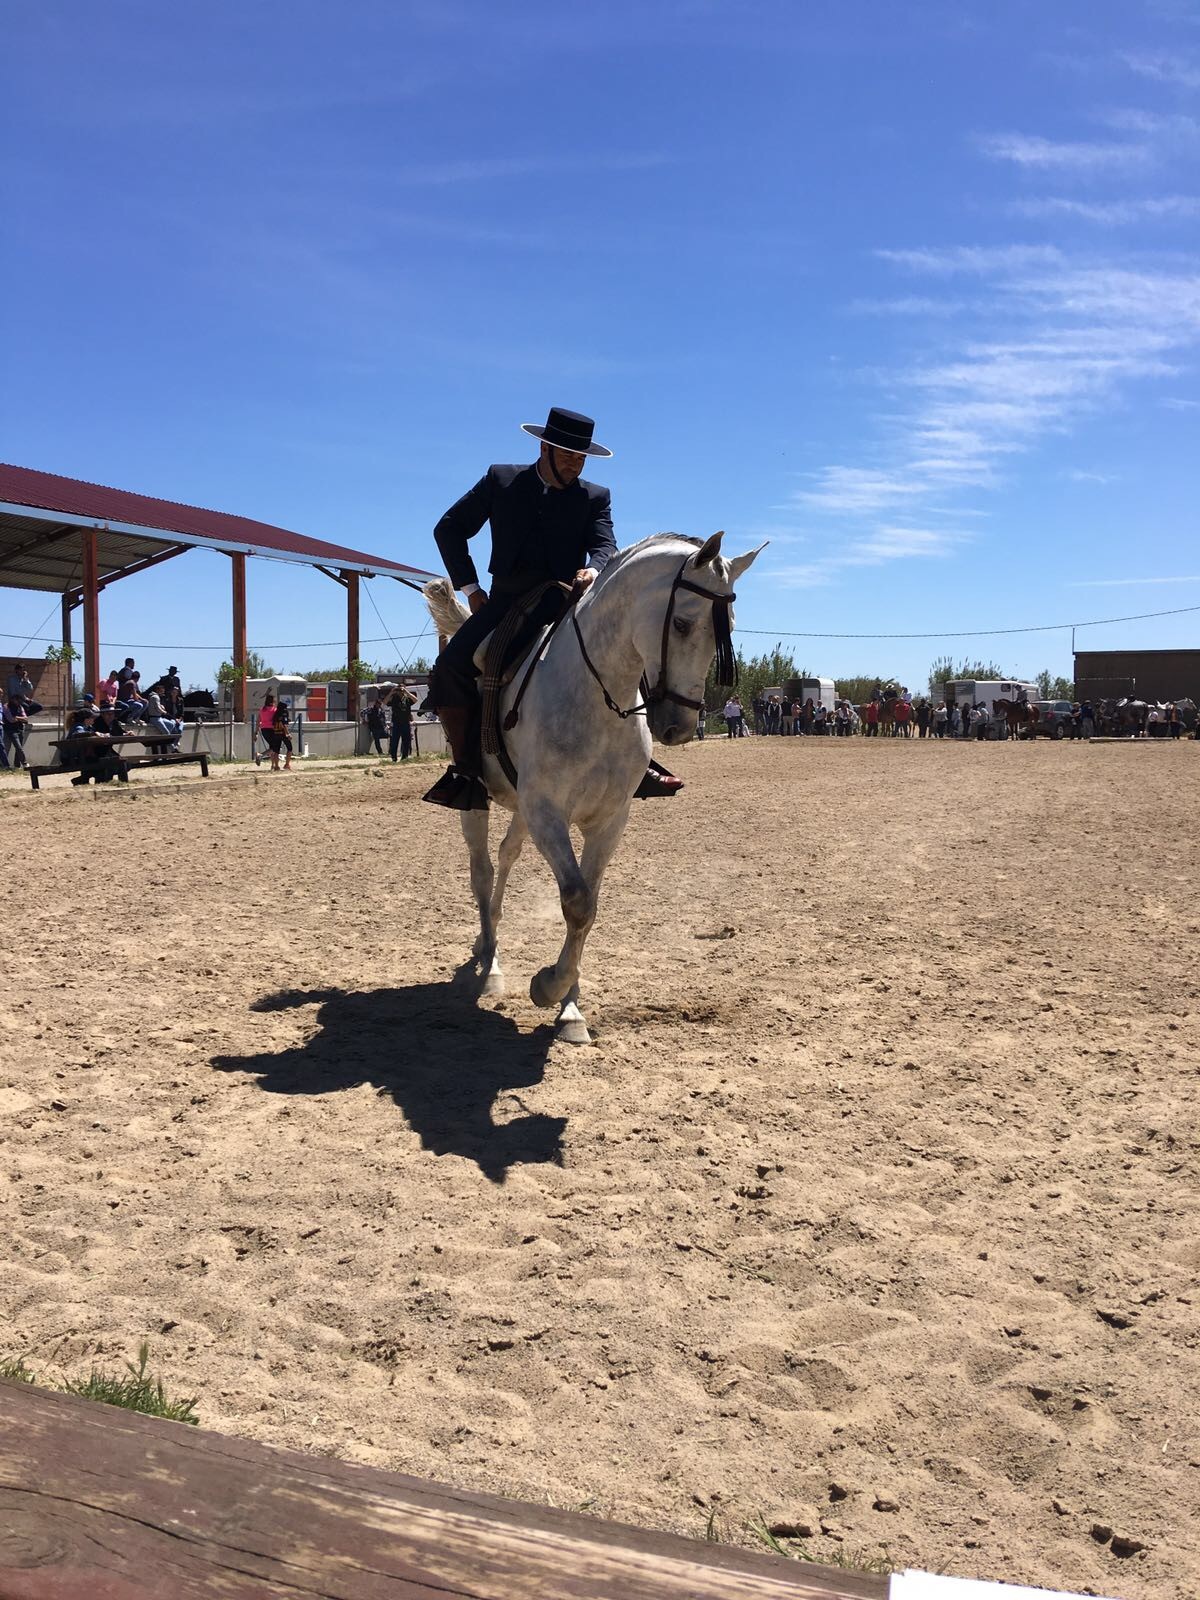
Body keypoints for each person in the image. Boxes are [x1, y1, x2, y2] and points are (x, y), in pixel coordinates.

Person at [422, 406, 679, 810]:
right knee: (451, 666)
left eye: (581, 458)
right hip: (505, 602)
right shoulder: (501, 480)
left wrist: (594, 569)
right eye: (567, 456)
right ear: (544, 448)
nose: (575, 465)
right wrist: (470, 588)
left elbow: (605, 544)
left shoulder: (595, 497)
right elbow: (449, 528)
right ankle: (466, 771)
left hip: (566, 602)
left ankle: (637, 760)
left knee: (629, 647)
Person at [389, 683, 418, 761]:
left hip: (405, 722)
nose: (400, 691)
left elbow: (415, 700)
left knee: (406, 741)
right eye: (399, 689)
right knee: (394, 740)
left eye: (401, 689)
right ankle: (394, 757)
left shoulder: (407, 698)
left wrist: (406, 692)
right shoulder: (394, 698)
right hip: (396, 722)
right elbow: (384, 702)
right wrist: (391, 692)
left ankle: (404, 757)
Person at [1, 697, 30, 768]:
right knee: (18, 747)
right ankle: (24, 763)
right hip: (11, 730)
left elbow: (26, 719)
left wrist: (16, 717)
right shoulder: (6, 707)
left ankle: (17, 765)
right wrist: (20, 719)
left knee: (19, 748)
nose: (19, 701)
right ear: (12, 699)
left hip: (20, 729)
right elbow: (11, 720)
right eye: (17, 700)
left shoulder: (20, 707)